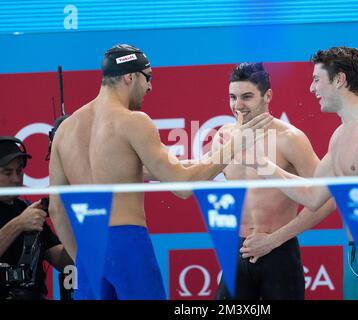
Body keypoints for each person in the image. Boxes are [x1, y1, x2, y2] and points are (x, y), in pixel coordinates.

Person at [48, 44, 272, 300]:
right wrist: (234, 145)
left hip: (88, 247)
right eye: (148, 77)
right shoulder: (132, 121)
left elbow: (56, 208)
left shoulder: (64, 131)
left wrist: (82, 258)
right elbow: (183, 186)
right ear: (129, 77)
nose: (150, 87)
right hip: (127, 244)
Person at [241, 47, 358, 300]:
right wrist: (263, 165)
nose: (312, 88)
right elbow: (312, 196)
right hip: (354, 253)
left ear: (339, 79)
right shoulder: (339, 136)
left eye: (316, 80)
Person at [213, 63, 335, 300]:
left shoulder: (290, 139)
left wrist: (273, 240)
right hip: (237, 252)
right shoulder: (223, 137)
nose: (238, 105)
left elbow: (327, 199)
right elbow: (191, 176)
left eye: (247, 97)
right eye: (233, 97)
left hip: (280, 252)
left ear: (268, 95)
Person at [0, 136, 73, 300]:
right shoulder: (25, 217)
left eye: (19, 171)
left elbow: (64, 262)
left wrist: (68, 219)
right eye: (7, 172)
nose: (16, 179)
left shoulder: (28, 210)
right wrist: (19, 224)